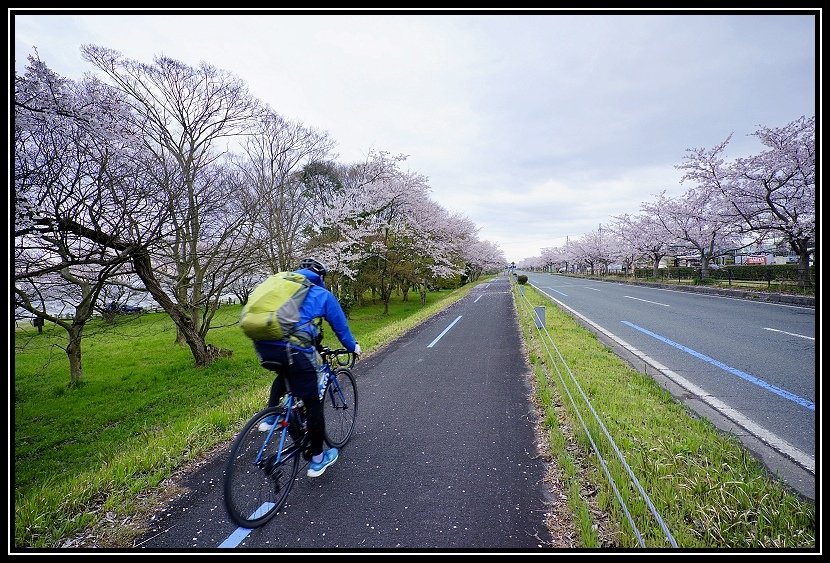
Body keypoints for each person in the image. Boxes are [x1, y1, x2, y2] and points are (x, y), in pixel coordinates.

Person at [252, 257, 361, 478]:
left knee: (285, 372)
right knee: (312, 403)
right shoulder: (320, 294)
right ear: (320, 276)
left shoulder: (281, 289)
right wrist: (353, 346)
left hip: (264, 346)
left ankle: (270, 417)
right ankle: (318, 460)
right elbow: (341, 327)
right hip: (295, 351)